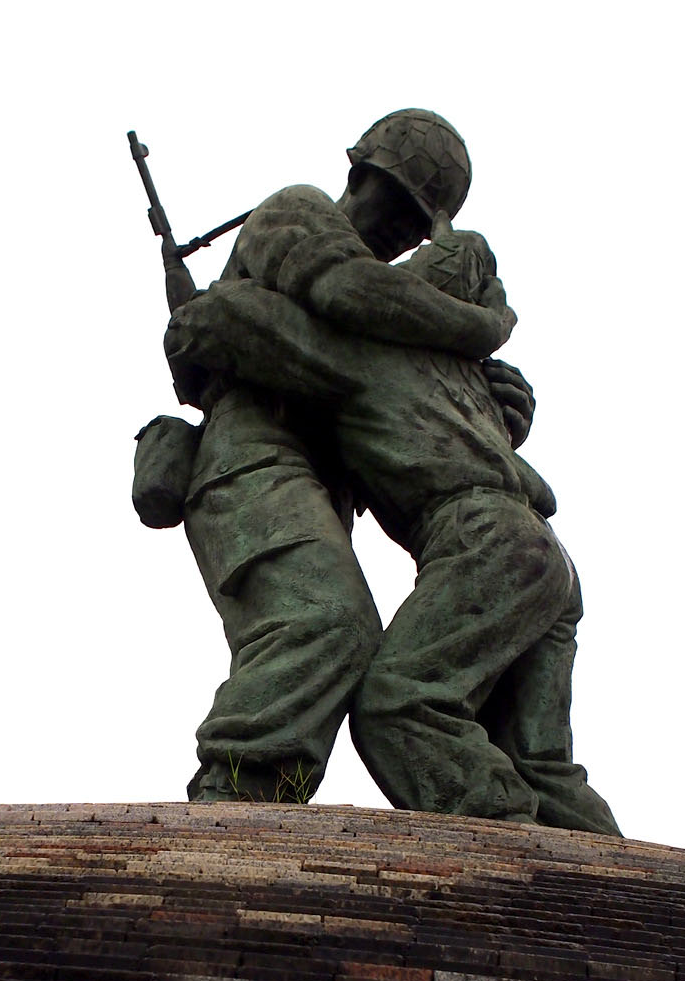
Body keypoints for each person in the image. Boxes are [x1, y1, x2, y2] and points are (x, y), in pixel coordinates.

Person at [164, 132, 619, 834]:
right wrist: (485, 327)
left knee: (474, 731)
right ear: (359, 175)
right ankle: (240, 798)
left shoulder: (388, 343)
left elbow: (404, 381)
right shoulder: (301, 214)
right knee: (328, 626)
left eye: (418, 225)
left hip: (393, 503)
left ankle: (564, 861)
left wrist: (492, 400)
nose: (403, 232)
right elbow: (287, 306)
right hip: (254, 459)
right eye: (399, 205)